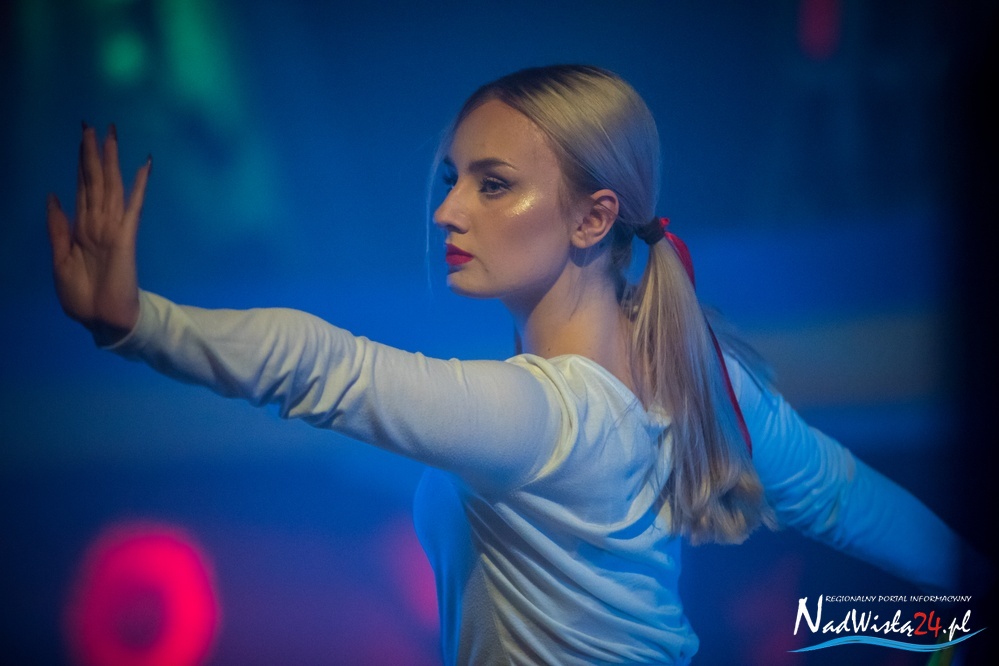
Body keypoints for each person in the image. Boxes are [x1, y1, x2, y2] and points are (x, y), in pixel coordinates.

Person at [48, 65, 975, 664]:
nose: (448, 211)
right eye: (452, 178)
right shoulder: (701, 376)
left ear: (593, 217)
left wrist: (140, 322)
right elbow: (841, 496)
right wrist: (968, 602)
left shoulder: (546, 419)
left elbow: (327, 367)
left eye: (492, 185)